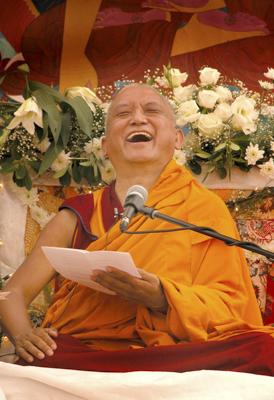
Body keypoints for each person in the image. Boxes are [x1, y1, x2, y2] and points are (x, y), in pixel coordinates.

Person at [0, 84, 273, 375]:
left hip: (179, 352)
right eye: (123, 113)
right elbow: (12, 292)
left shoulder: (204, 209)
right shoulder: (77, 215)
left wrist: (162, 296)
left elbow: (232, 307)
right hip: (92, 352)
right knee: (46, 357)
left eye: (152, 110)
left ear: (177, 138)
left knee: (262, 349)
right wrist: (23, 335)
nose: (138, 119)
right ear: (105, 146)